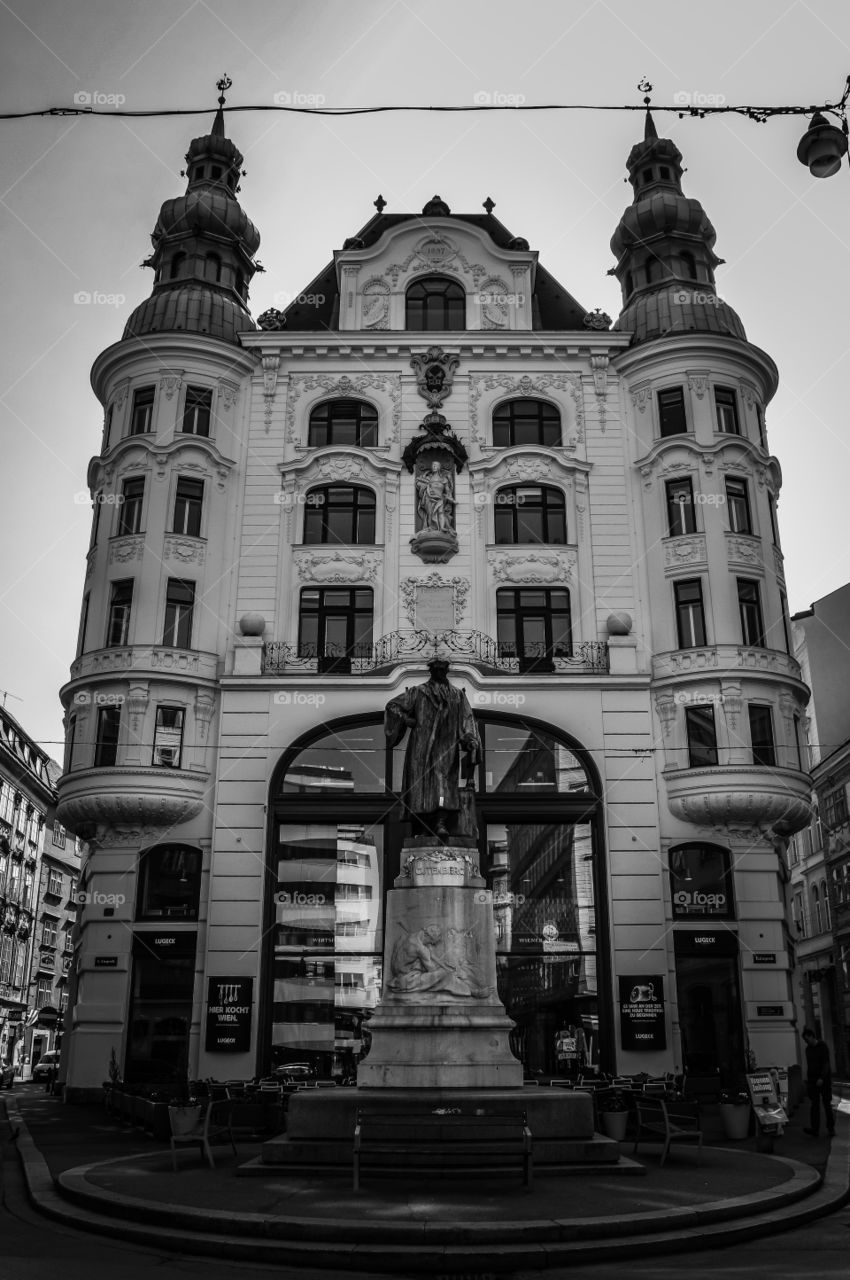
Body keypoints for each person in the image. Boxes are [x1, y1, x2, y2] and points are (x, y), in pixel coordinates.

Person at [385, 657, 481, 840]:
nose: (439, 672)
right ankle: (422, 826)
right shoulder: (418, 692)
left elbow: (467, 719)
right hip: (421, 749)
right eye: (436, 669)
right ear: (431, 671)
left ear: (446, 671)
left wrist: (469, 738)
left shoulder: (457, 695)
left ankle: (441, 822)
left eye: (442, 669)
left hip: (446, 747)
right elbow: (392, 706)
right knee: (421, 788)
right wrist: (406, 720)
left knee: (442, 786)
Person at [802, 1026, 835, 1137]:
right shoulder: (808, 1049)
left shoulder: (822, 1046)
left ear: (812, 1036)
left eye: (807, 1039)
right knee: (814, 1105)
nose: (806, 1042)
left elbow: (826, 1063)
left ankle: (831, 1128)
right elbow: (810, 1066)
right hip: (812, 1081)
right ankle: (815, 1129)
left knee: (827, 1104)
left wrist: (822, 1078)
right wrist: (809, 1081)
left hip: (824, 1081)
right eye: (805, 1040)